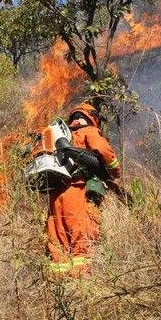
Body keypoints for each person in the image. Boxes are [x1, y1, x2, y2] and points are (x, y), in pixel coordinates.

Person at [46, 102, 121, 276]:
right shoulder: (88, 131)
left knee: (57, 243)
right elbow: (104, 151)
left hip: (56, 196)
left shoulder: (59, 138)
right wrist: (115, 171)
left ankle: (60, 287)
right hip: (77, 192)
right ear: (91, 117)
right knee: (82, 238)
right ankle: (81, 285)